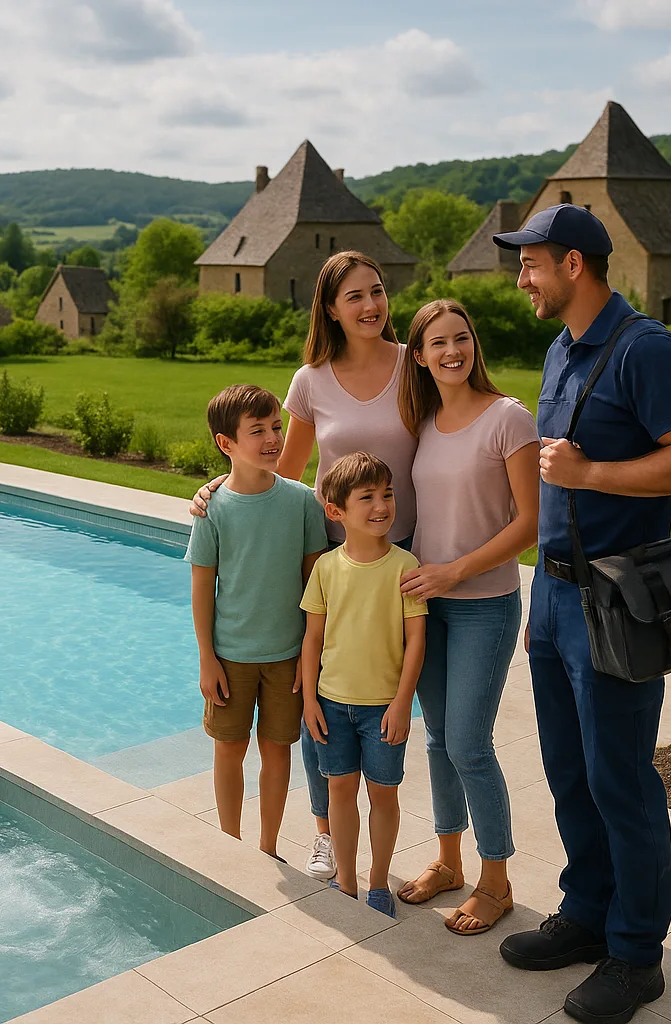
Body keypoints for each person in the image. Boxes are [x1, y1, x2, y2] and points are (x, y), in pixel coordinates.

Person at [491, 205, 671, 1024]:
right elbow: (555, 489)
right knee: (568, 769)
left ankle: (636, 954)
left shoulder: (645, 349)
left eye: (532, 264)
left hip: (618, 601)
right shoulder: (561, 348)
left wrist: (594, 475)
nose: (522, 279)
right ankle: (587, 911)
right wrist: (541, 598)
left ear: (575, 265)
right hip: (556, 597)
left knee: (620, 777)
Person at [191, 251, 417, 883]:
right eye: (354, 296)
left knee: (372, 704)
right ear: (330, 308)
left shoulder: (414, 365)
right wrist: (216, 490)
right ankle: (323, 835)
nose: (370, 305)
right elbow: (279, 468)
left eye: (377, 291)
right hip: (330, 571)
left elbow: (456, 414)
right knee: (325, 710)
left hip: (401, 560)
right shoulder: (310, 380)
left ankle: (403, 850)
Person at [393, 299, 540, 936]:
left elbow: (531, 524)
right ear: (419, 356)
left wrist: (455, 571)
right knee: (437, 739)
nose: (452, 351)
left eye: (461, 338)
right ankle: (449, 862)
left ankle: (496, 882)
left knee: (469, 744)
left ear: (473, 345)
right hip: (427, 606)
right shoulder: (422, 422)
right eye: (438, 343)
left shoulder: (510, 418)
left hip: (485, 606)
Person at [185, 384, 329, 859]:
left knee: (277, 749)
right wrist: (207, 658)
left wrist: (310, 655)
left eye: (276, 427)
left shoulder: (302, 502)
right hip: (230, 656)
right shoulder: (211, 510)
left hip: (287, 657)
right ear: (226, 443)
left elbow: (314, 586)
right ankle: (230, 842)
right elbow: (202, 589)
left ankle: (267, 846)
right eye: (258, 431)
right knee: (229, 748)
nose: (272, 439)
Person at [300, 452, 427, 916]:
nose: (381, 506)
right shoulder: (326, 568)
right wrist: (309, 701)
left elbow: (416, 641)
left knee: (383, 794)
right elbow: (312, 639)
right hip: (331, 705)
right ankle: (347, 883)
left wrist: (402, 703)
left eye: (387, 495)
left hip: (383, 709)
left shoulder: (405, 566)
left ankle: (377, 884)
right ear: (336, 511)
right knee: (339, 793)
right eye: (367, 497)